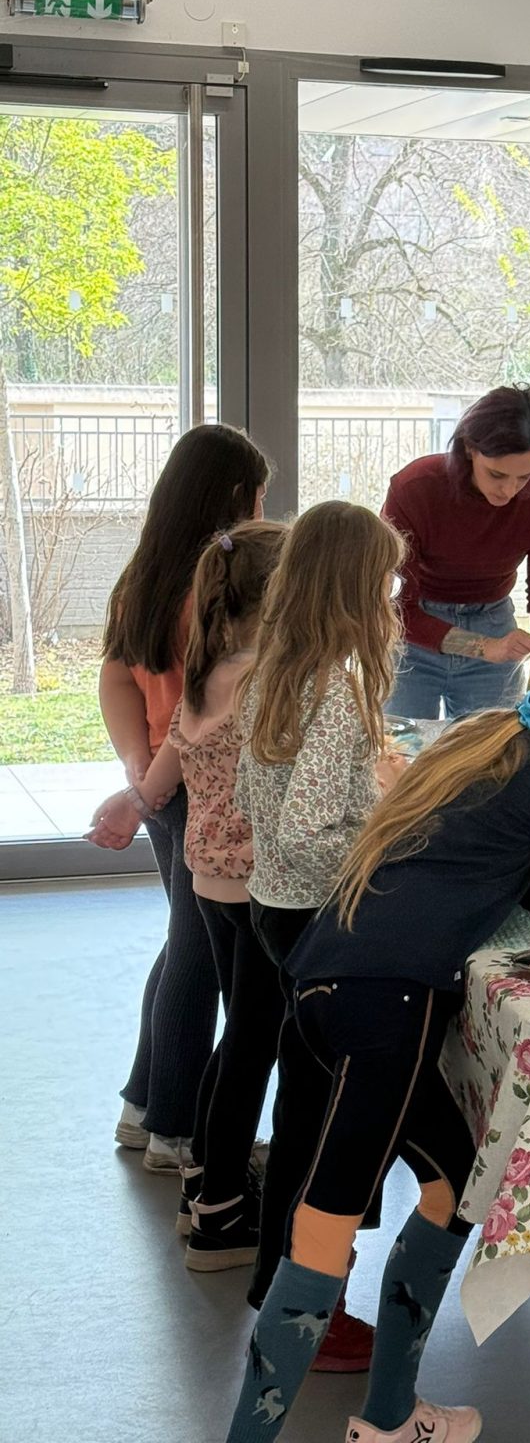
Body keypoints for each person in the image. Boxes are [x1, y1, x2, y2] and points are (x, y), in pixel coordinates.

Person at [224, 616, 530, 1443]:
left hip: (324, 978)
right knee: (323, 1228)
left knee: (454, 1179)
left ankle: (391, 1417)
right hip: (386, 1004)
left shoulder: (485, 735)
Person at [236, 499, 406, 1369]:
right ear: (355, 586)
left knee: (305, 1112)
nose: (393, 596)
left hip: (278, 909)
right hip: (322, 917)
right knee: (332, 1127)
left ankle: (287, 1294)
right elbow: (306, 829)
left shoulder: (274, 669)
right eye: (386, 580)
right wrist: (389, 836)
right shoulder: (337, 685)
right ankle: (313, 1311)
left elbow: (260, 802)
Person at [91, 521, 288, 1268]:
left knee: (243, 1037)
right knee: (252, 1042)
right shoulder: (268, 682)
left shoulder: (208, 673)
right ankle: (220, 1210)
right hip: (255, 887)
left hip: (209, 882)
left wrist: (132, 801)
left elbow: (170, 761)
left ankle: (205, 1183)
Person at [96, 423, 271, 1174]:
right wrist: (151, 781)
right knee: (198, 956)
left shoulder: (143, 576)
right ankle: (177, 1130)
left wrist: (139, 770)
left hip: (167, 787)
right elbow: (204, 709)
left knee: (183, 943)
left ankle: (144, 1105)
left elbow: (115, 676)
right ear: (236, 497)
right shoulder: (216, 591)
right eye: (259, 494)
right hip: (203, 790)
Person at [381, 385, 530, 719]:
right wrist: (486, 647)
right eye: (496, 474)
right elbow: (398, 608)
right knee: (403, 744)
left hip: (493, 620)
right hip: (413, 634)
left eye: (524, 477)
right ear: (469, 448)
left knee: (492, 747)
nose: (509, 490)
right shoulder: (415, 488)